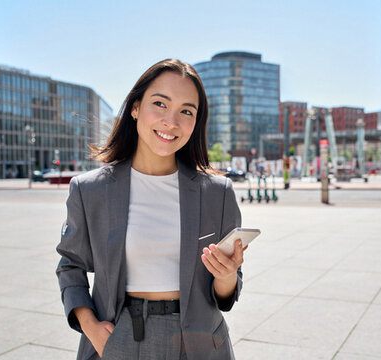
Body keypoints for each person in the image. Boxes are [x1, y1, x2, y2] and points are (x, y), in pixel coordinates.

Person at [56, 59, 245, 360]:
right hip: (118, 337)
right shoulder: (89, 189)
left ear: (196, 121)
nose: (171, 121)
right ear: (135, 107)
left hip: (199, 343)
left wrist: (227, 275)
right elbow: (70, 266)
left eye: (186, 111)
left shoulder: (217, 193)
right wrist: (90, 326)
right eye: (160, 103)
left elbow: (225, 294)